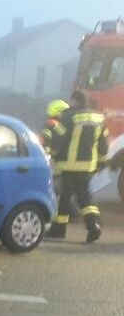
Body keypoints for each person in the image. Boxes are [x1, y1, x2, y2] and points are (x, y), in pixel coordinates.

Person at [48, 90, 109, 242]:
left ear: (74, 100)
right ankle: (94, 225)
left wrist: (53, 155)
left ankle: (59, 230)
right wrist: (102, 162)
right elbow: (103, 143)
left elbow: (57, 138)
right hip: (88, 166)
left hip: (69, 165)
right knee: (84, 196)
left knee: (65, 197)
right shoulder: (98, 117)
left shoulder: (68, 116)